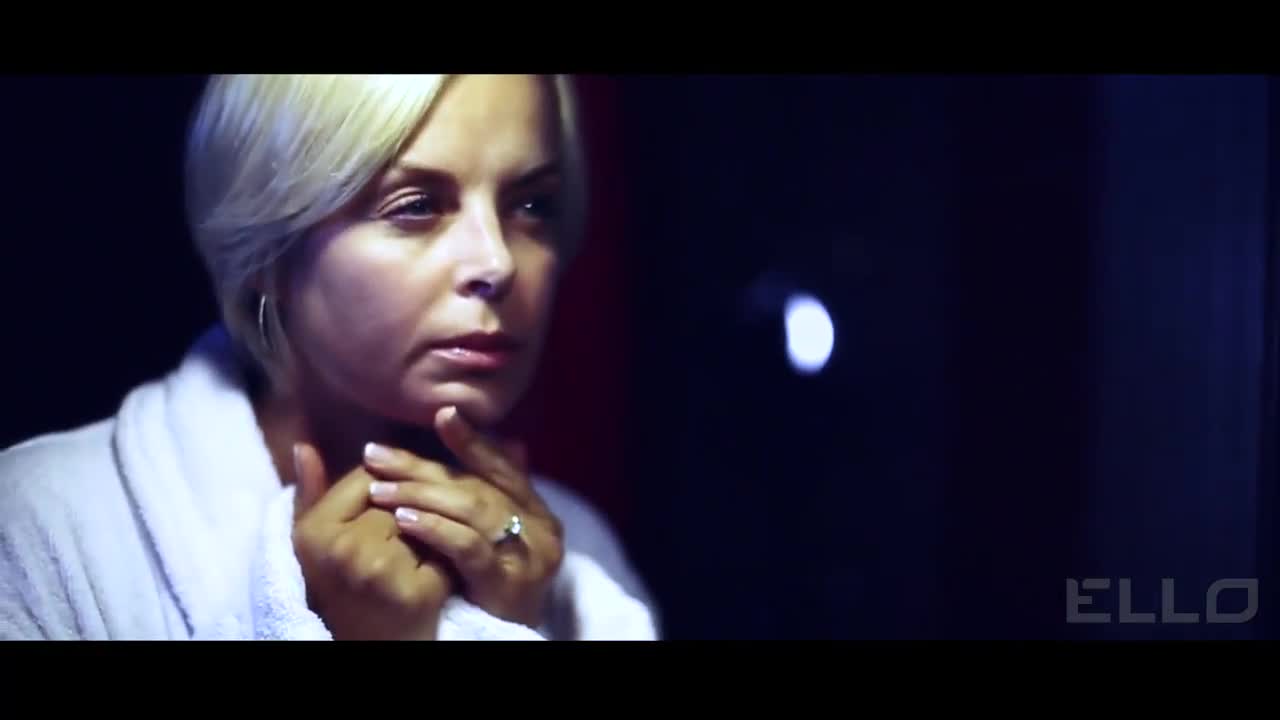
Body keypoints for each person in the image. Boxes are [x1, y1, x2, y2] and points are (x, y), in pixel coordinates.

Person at [0, 74, 658, 640]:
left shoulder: (571, 551)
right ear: (267, 247)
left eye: (532, 205)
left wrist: (509, 621)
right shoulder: (38, 527)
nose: (497, 262)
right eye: (416, 206)